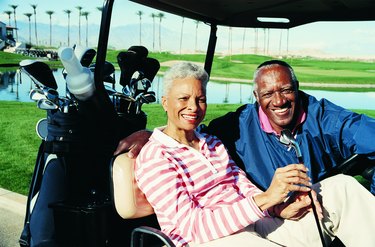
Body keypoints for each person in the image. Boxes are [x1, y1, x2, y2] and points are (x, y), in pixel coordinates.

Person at [133, 62, 375, 247]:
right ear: (165, 102)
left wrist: (277, 209)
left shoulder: (213, 142)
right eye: (183, 99)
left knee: (343, 187)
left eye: (201, 99)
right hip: (209, 240)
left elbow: (243, 188)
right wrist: (266, 200)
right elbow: (191, 227)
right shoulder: (156, 157)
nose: (194, 107)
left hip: (255, 226)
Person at [115, 60, 375, 195]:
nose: (279, 101)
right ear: (255, 96)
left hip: (313, 210)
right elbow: (191, 129)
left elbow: (366, 133)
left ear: (298, 90)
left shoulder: (324, 118)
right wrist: (151, 134)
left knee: (345, 189)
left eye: (286, 90)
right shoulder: (238, 125)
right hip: (269, 216)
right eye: (268, 93)